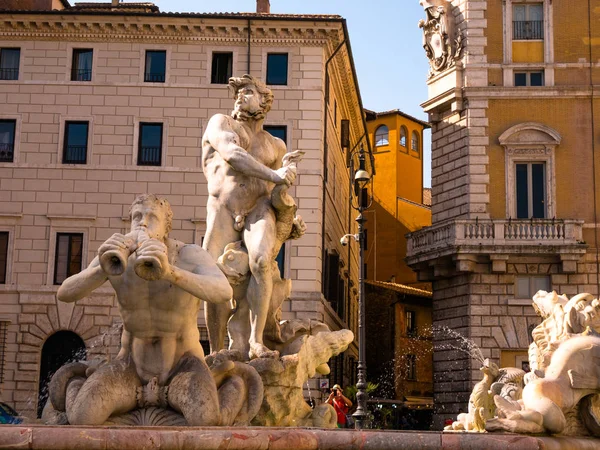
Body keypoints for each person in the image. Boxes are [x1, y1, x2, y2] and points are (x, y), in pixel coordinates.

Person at [56, 194, 240, 426]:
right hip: (132, 367)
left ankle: (230, 385)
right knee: (82, 416)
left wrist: (169, 273)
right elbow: (65, 293)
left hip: (181, 366)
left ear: (166, 228)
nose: (142, 223)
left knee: (205, 419)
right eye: (136, 217)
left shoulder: (187, 255)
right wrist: (101, 270)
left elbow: (223, 292)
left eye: (152, 217)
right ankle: (77, 385)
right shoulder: (118, 256)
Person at [201, 74, 298, 359]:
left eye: (248, 92)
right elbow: (232, 154)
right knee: (214, 279)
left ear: (264, 100)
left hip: (259, 208)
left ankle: (256, 342)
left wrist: (290, 217)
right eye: (239, 93)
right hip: (223, 209)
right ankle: (216, 349)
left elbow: (277, 189)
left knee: (261, 260)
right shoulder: (221, 123)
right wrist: (275, 173)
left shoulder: (276, 145)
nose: (240, 97)